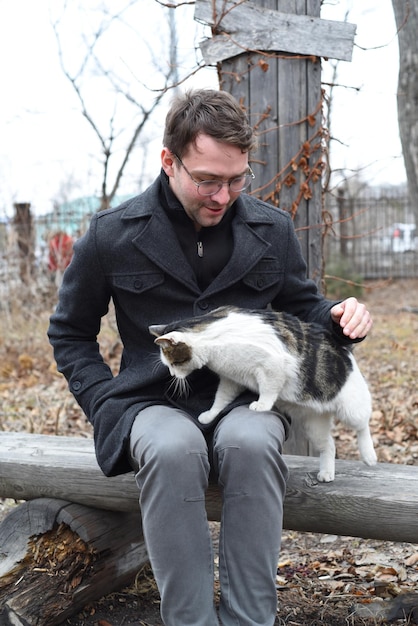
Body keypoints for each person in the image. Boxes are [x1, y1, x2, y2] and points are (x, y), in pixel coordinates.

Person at [48, 88, 372, 626]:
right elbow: (70, 334)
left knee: (249, 441)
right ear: (169, 161)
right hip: (152, 400)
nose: (223, 196)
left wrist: (340, 316)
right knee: (173, 448)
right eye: (207, 180)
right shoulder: (112, 234)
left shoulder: (271, 229)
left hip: (249, 399)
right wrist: (105, 404)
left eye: (237, 179)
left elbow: (301, 305)